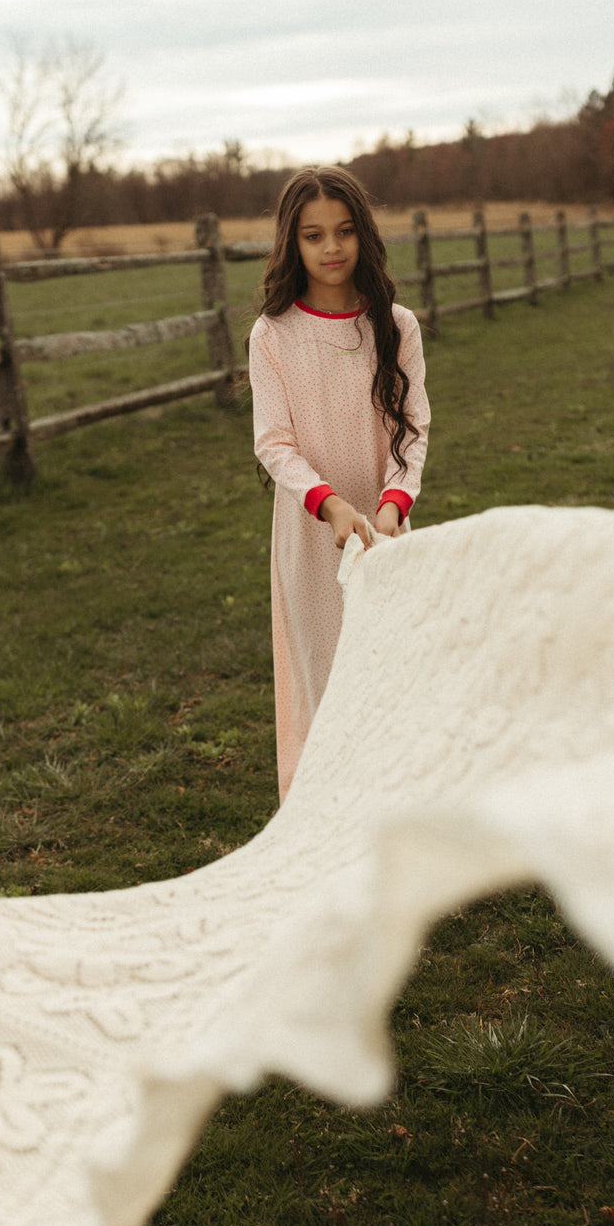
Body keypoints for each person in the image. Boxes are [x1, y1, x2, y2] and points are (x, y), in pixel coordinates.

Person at [249, 166, 430, 801]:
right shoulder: (273, 335)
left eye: (346, 231)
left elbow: (413, 431)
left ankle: (397, 805)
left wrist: (390, 509)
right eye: (314, 236)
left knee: (389, 665)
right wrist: (328, 507)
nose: (332, 249)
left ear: (365, 236)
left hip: (385, 529)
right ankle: (328, 810)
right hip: (312, 529)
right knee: (323, 665)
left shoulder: (396, 326)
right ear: (291, 244)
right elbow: (274, 443)